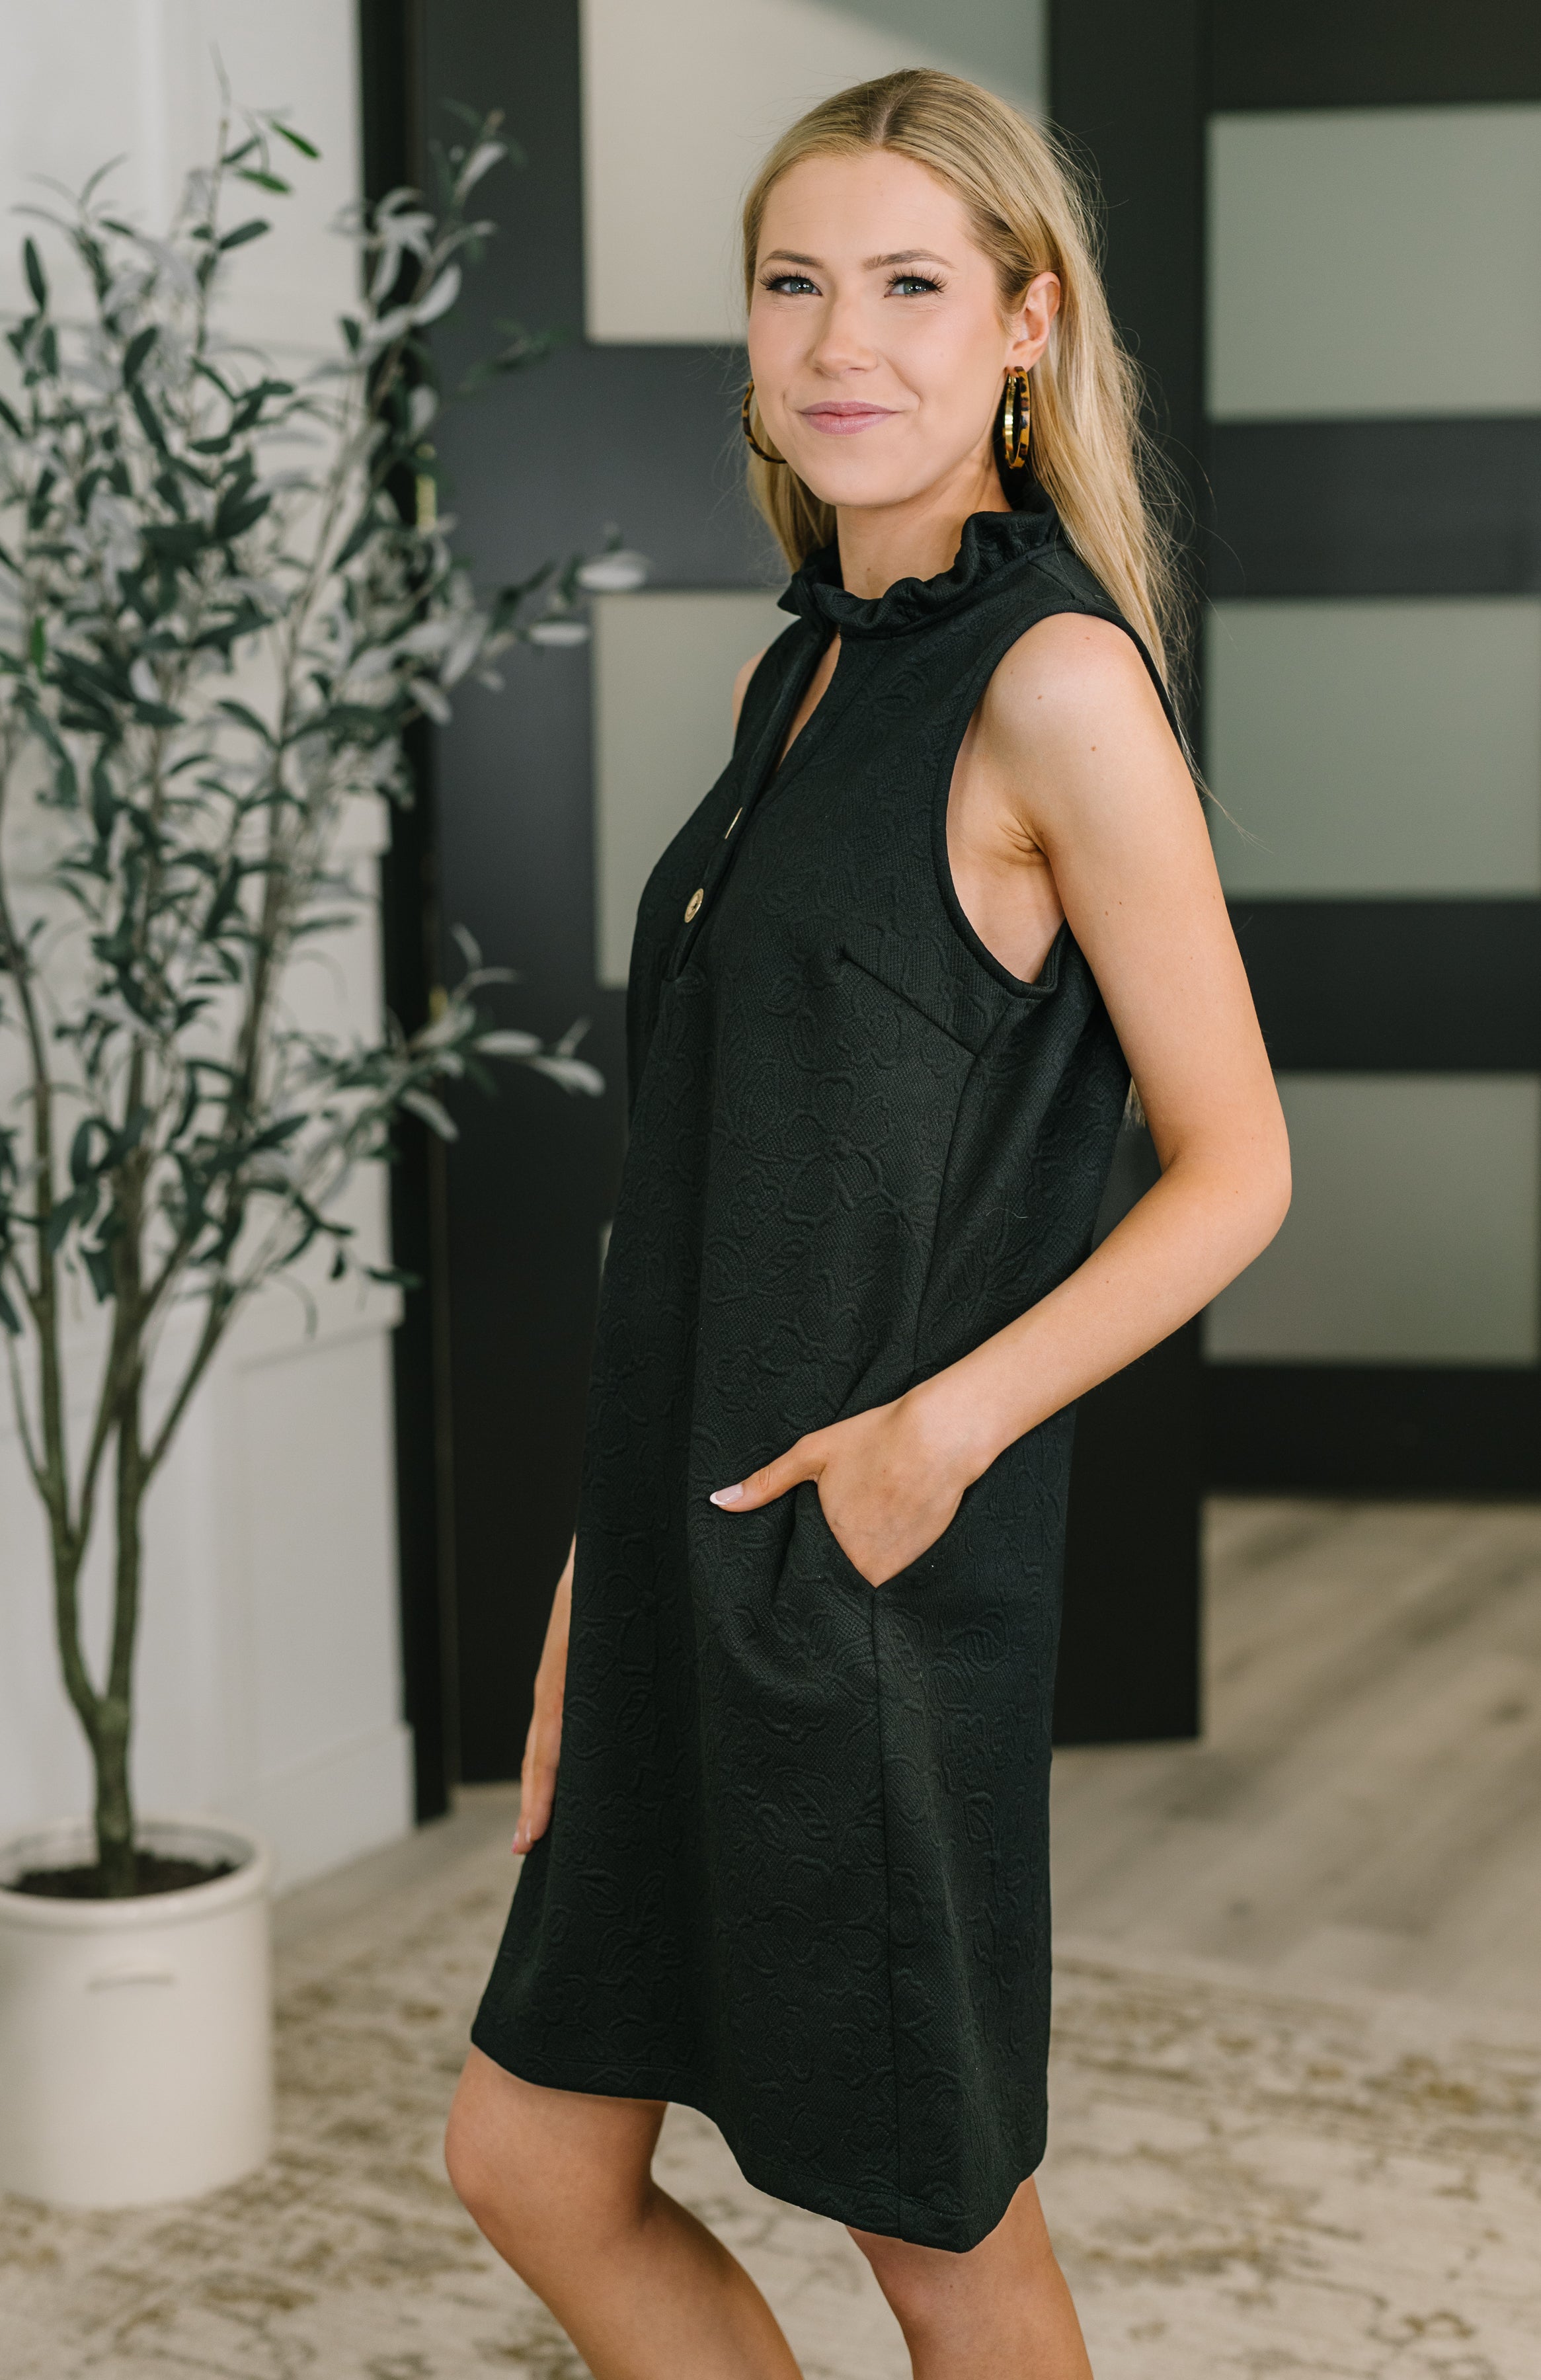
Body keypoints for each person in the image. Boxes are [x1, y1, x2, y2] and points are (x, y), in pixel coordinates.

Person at [445, 67, 1289, 2380]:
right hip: (682, 1554)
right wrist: (592, 1576)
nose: (844, 341)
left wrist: (935, 1438)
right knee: (529, 2161)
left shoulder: (1054, 685)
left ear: (1025, 328)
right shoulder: (791, 671)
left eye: (912, 286)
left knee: (937, 2235)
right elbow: (702, 1195)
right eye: (793, 284)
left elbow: (1237, 1165)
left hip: (866, 1592)